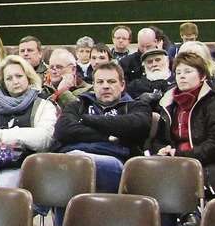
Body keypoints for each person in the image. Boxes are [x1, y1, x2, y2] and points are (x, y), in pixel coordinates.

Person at [52, 62, 150, 193]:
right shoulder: (77, 105)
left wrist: (87, 120)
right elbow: (62, 130)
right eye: (100, 82)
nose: (105, 86)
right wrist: (108, 136)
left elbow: (137, 126)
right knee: (51, 164)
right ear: (93, 85)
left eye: (111, 81)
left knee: (76, 165)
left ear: (122, 85)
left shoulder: (136, 107)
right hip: (73, 156)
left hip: (114, 161)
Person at [151, 52, 215, 195]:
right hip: (173, 164)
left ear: (203, 76)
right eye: (178, 72)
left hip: (211, 168)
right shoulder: (168, 104)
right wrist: (162, 150)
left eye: (188, 71)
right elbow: (159, 140)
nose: (181, 76)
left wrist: (182, 155)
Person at [0, 55, 57, 188]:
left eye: (19, 76)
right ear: (3, 82)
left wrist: (0, 136)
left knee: (4, 183)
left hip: (28, 165)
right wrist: (18, 137)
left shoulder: (44, 104)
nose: (15, 81)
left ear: (28, 77)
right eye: (9, 78)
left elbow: (44, 138)